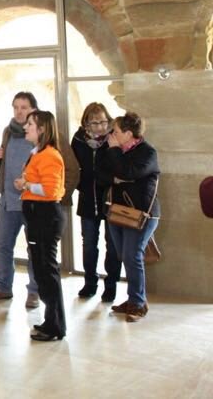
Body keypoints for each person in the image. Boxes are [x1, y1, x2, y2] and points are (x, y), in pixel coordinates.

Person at [0, 92, 40, 309]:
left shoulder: (44, 132)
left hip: (34, 200)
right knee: (2, 244)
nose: (19, 111)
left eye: (24, 107)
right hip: (9, 198)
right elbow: (7, 159)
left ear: (33, 109)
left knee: (34, 248)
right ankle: (3, 286)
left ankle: (34, 291)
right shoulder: (8, 131)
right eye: (15, 107)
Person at [101, 112, 160, 322]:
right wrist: (116, 173)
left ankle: (137, 303)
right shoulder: (115, 151)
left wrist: (116, 154)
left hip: (142, 214)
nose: (111, 135)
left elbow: (129, 173)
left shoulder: (147, 152)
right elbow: (101, 173)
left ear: (128, 133)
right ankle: (133, 298)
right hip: (118, 211)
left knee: (133, 255)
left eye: (115, 132)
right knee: (124, 255)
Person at [14, 110, 67, 341]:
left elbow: (51, 190)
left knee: (47, 273)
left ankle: (55, 326)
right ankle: (51, 321)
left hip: (45, 217)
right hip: (38, 216)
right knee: (43, 272)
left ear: (42, 129)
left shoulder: (50, 155)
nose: (26, 127)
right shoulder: (37, 153)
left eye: (31, 124)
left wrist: (26, 184)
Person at [72, 102, 122, 301]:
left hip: (111, 198)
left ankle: (111, 285)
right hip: (87, 199)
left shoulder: (113, 139)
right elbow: (73, 167)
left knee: (113, 244)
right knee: (89, 244)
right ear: (86, 123)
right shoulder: (78, 140)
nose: (100, 127)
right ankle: (90, 282)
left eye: (103, 121)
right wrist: (79, 186)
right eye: (94, 123)